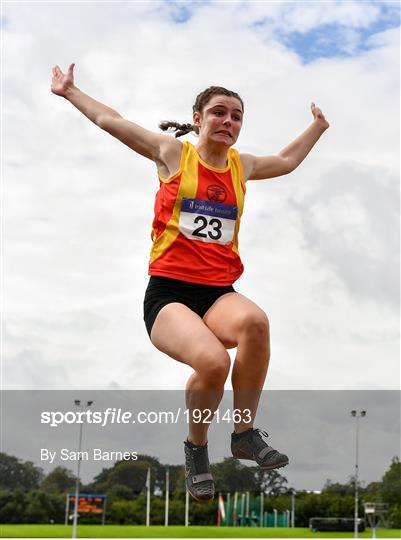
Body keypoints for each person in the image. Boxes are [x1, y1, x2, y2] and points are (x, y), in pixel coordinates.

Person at [51, 63, 329, 501]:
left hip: (218, 293)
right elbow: (113, 121)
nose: (228, 122)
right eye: (219, 112)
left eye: (236, 116)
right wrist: (71, 92)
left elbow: (288, 160)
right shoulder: (174, 154)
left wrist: (318, 126)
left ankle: (243, 434)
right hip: (169, 295)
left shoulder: (243, 166)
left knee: (256, 323)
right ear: (198, 118)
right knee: (214, 361)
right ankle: (196, 450)